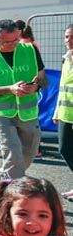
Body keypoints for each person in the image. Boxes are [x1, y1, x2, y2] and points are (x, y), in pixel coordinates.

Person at [0, 18, 46, 181]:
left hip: (28, 113)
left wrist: (35, 86)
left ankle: (4, 175)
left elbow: (42, 78)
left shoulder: (30, 50)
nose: (14, 44)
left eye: (16, 39)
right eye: (8, 42)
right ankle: (13, 194)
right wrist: (10, 89)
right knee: (13, 152)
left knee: (28, 154)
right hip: (1, 113)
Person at [54, 24, 73, 200]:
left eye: (72, 37)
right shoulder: (66, 58)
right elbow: (63, 87)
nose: (69, 40)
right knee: (64, 149)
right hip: (66, 113)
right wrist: (56, 111)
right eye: (67, 36)